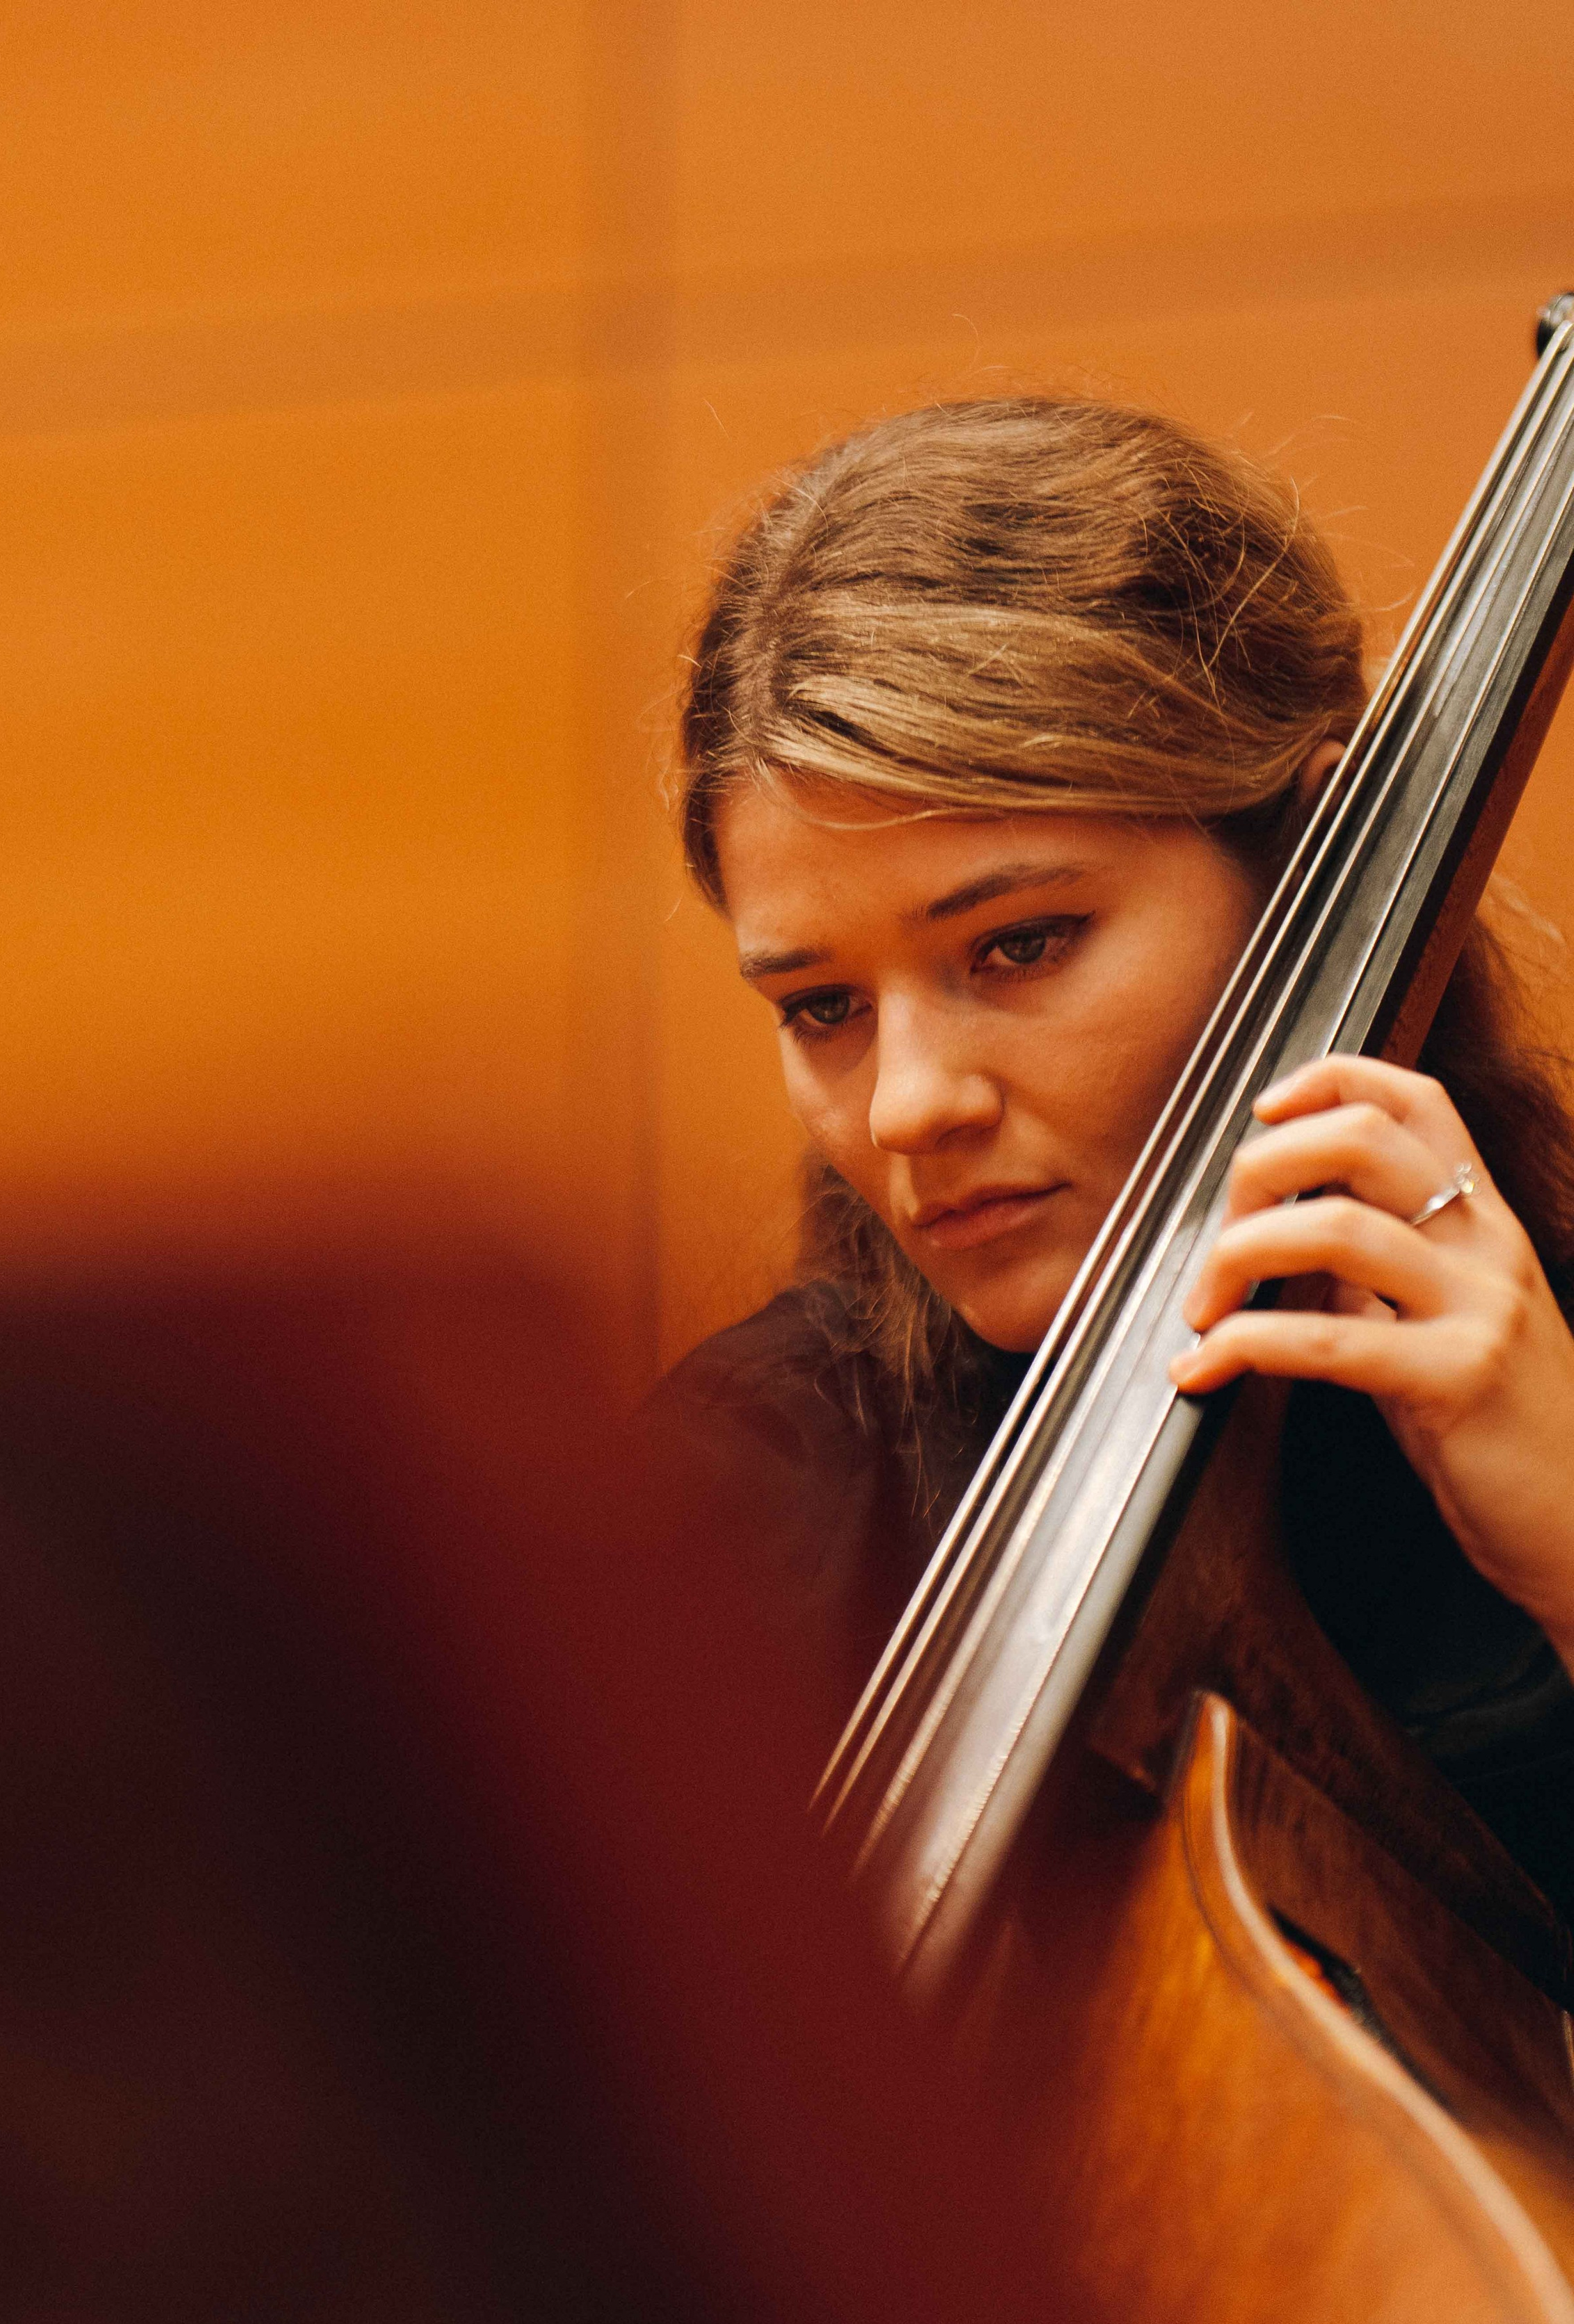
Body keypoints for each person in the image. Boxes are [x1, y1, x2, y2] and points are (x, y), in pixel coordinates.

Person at [655, 394, 1574, 1918]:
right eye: (820, 1007)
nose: (905, 1108)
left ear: (1309, 862)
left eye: (1019, 944)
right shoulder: (749, 1491)